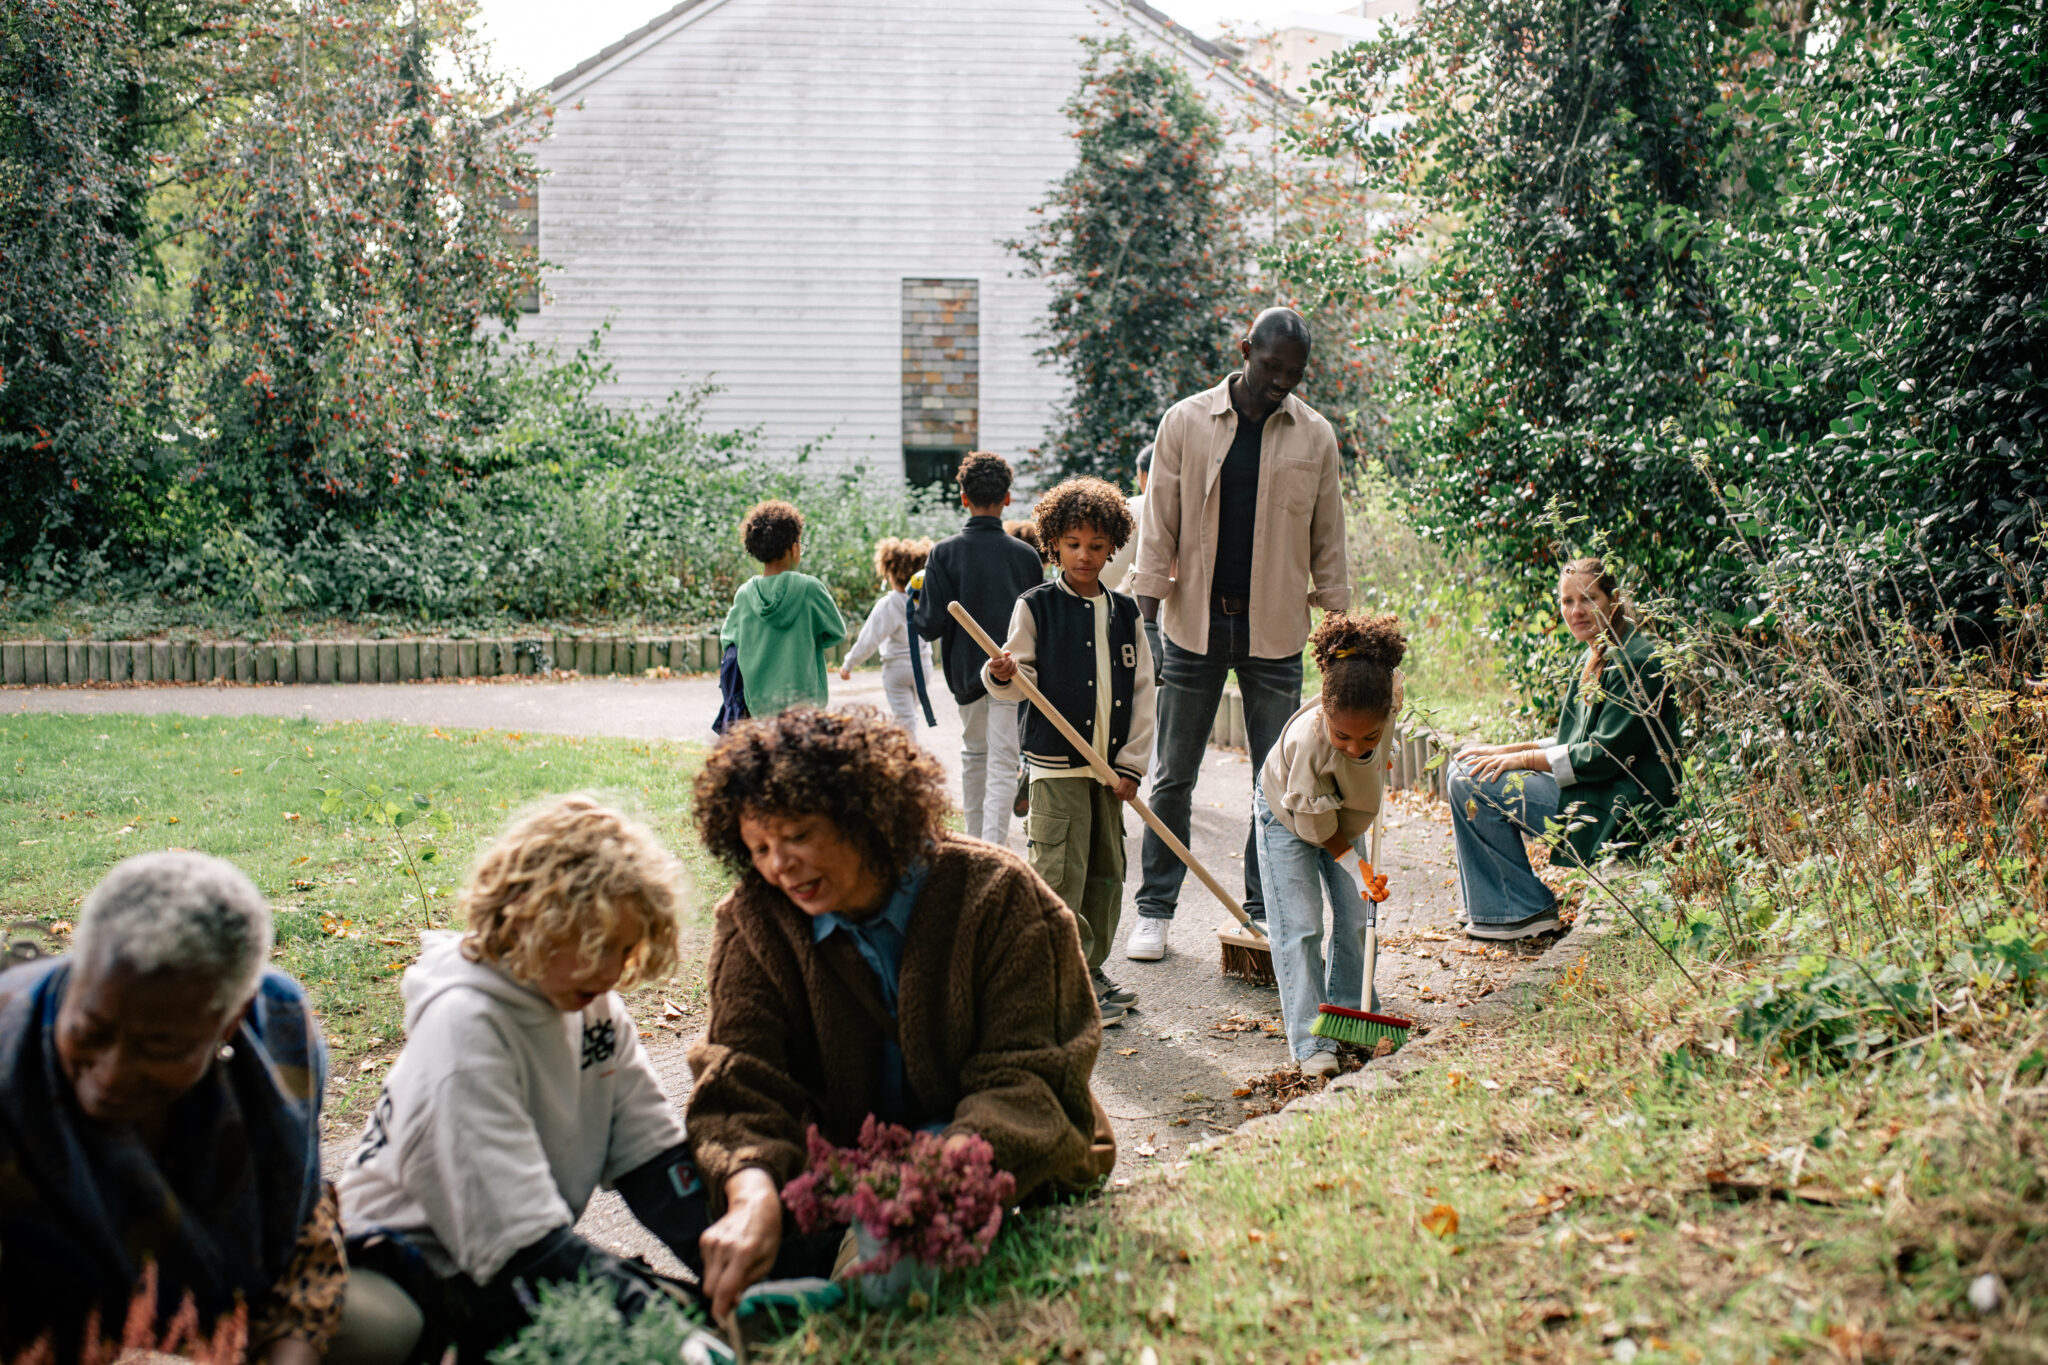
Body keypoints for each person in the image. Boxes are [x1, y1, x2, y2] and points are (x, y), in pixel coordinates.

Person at [685, 706, 1114, 1321]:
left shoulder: (999, 897)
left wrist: (919, 1185)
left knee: (892, 1258)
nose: (780, 865)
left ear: (866, 816)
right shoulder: (754, 922)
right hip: (843, 1173)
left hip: (996, 1158)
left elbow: (1029, 1078)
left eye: (799, 834)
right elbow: (741, 1077)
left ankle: (853, 1300)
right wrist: (750, 1187)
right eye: (759, 847)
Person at [337, 796, 705, 1362]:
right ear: (531, 921)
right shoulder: (466, 1026)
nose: (610, 971)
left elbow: (654, 1162)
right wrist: (660, 1319)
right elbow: (520, 1248)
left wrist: (745, 1261)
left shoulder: (592, 1006)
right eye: (593, 946)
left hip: (508, 1253)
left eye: (624, 949)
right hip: (409, 1268)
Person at [0, 852, 352, 1364]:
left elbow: (306, 1231)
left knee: (388, 1325)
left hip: (232, 1325)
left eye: (160, 1049)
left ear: (226, 1028)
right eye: (91, 1030)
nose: (111, 1075)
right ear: (75, 981)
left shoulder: (277, 1033)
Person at [1124, 307, 1351, 961]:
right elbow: (1157, 527)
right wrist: (1146, 619)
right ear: (1245, 349)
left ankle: (1262, 910)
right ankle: (1156, 909)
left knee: (1274, 779)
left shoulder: (1316, 438)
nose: (1281, 380)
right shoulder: (1185, 422)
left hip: (1275, 633)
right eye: (1272, 365)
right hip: (1192, 626)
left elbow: (1329, 544)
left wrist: (1340, 639)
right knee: (1172, 774)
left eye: (1294, 372)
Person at [984, 477, 1155, 1025]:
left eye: (1097, 546)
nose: (1085, 555)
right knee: (1061, 875)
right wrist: (1002, 672)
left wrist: (1131, 765)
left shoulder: (1126, 614)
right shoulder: (1035, 607)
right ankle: (1064, 982)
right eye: (1073, 543)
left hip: (1109, 773)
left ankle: (1091, 968)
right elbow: (1016, 681)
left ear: (1112, 549)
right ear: (1053, 542)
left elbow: (1145, 692)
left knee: (1106, 876)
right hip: (1056, 770)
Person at [1449, 557, 1682, 939]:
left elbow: (1602, 755)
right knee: (1461, 767)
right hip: (1600, 789)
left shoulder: (1634, 660)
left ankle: (1521, 910)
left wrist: (1520, 760)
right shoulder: (1596, 650)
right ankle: (1490, 902)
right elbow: (1572, 741)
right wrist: (1502, 750)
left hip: (1624, 808)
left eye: (1588, 599)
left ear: (1614, 599)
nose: (1576, 611)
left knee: (1472, 784)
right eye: (1567, 601)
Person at [1254, 614, 1405, 1078]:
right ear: (1323, 709)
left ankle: (1348, 1013)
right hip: (1290, 812)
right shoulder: (1309, 744)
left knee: (1359, 917)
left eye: (1370, 737)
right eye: (1343, 735)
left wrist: (1386, 753)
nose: (1356, 747)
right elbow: (1322, 833)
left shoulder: (1386, 697)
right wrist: (1356, 867)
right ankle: (1310, 1038)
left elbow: (1395, 680)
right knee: (1300, 926)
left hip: (1339, 809)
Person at [913, 452, 1047, 845]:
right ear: (1007, 498)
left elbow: (930, 625)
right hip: (1015, 675)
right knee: (1005, 761)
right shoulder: (1026, 556)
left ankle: (976, 844)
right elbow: (1040, 626)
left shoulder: (944, 553)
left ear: (962, 497)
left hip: (967, 676)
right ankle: (994, 845)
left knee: (974, 756)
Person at [721, 499, 847, 714]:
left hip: (759, 707)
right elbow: (837, 633)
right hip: (806, 707)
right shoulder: (810, 588)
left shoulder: (744, 595)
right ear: (794, 547)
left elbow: (728, 640)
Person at [838, 537, 935, 734]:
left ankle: (909, 756)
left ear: (890, 573)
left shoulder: (888, 604)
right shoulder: (927, 601)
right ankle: (910, 749)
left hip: (897, 669)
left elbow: (869, 639)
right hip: (923, 667)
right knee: (910, 715)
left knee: (904, 718)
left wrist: (848, 664)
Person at [1099, 442, 1150, 598]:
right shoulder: (1200, 506)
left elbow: (1109, 575)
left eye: (1137, 476)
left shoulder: (1134, 508)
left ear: (1145, 476)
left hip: (1148, 609)